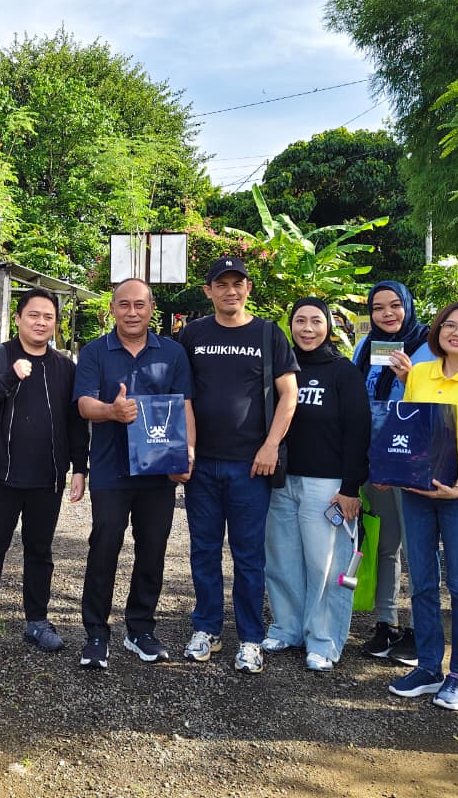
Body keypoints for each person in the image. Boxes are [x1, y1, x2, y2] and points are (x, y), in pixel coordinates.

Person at [179, 257, 298, 673]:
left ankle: (250, 638)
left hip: (251, 468)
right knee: (204, 551)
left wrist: (270, 445)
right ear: (208, 290)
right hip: (203, 467)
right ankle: (206, 628)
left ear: (248, 288)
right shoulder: (192, 334)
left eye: (238, 283)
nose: (231, 290)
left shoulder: (268, 333)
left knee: (249, 557)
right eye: (221, 284)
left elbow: (289, 394)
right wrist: (186, 448)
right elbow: (184, 397)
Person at [0, 289, 89, 657]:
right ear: (18, 318)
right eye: (33, 315)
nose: (40, 322)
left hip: (48, 478)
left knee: (40, 551)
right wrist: (10, 377)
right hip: (0, 474)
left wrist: (80, 467)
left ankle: (37, 622)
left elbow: (76, 422)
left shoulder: (64, 367)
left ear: (55, 324)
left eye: (48, 317)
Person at [74, 278, 194, 669]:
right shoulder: (94, 352)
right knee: (104, 546)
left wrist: (186, 455)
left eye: (139, 305)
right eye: (123, 305)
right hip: (111, 469)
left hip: (158, 472)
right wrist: (111, 411)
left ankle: (140, 628)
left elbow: (185, 406)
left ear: (151, 308)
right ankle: (96, 632)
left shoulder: (173, 353)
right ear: (112, 309)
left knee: (153, 550)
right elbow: (84, 405)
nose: (132, 312)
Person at [388, 301, 458, 707]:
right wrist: (397, 474)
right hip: (417, 494)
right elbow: (413, 430)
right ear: (437, 331)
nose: (457, 332)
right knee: (420, 582)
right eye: (450, 325)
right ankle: (429, 666)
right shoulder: (419, 373)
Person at [262, 297, 370, 671]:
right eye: (299, 321)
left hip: (327, 487)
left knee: (326, 565)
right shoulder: (280, 368)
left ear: (328, 326)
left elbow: (359, 432)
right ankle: (287, 627)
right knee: (282, 561)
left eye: (315, 321)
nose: (307, 329)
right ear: (290, 325)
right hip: (281, 481)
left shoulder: (344, 372)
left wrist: (351, 488)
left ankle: (323, 640)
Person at [351, 280, 434, 665]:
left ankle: (421, 631)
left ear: (408, 305)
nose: (387, 313)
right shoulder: (364, 348)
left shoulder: (427, 347)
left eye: (395, 305)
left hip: (412, 462)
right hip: (373, 460)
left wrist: (408, 379)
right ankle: (386, 623)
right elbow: (354, 400)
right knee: (385, 546)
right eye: (379, 307)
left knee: (417, 548)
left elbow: (435, 406)